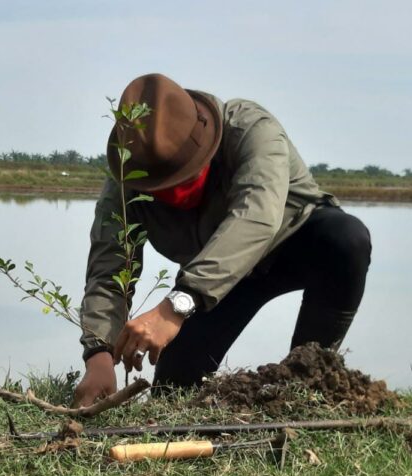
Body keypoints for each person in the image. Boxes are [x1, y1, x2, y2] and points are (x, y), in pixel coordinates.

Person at [74, 73, 371, 407]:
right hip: (219, 284)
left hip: (291, 243)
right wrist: (99, 355)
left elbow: (257, 216)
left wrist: (176, 305)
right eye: (159, 186)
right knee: (173, 392)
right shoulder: (127, 181)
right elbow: (108, 272)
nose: (172, 194)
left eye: (182, 176)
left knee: (347, 240)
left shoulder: (251, 129)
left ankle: (307, 384)